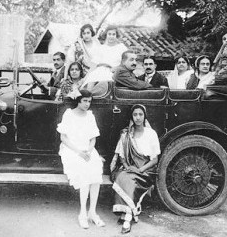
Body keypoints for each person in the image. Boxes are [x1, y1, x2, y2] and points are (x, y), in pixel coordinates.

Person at [57, 90, 105, 229]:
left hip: (87, 149)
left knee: (96, 170)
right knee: (84, 171)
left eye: (89, 101)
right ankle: (82, 213)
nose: (87, 104)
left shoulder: (90, 116)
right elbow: (63, 138)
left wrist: (89, 151)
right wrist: (79, 152)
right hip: (71, 150)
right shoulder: (69, 114)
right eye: (84, 101)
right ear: (78, 101)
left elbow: (93, 139)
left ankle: (92, 212)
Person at [110, 104, 160, 234]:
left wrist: (140, 169)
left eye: (140, 114)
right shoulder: (126, 134)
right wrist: (128, 168)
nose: (138, 118)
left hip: (146, 170)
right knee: (122, 176)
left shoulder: (151, 133)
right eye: (135, 115)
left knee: (130, 180)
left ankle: (127, 217)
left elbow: (154, 160)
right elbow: (122, 156)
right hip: (129, 168)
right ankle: (128, 214)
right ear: (131, 117)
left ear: (144, 116)